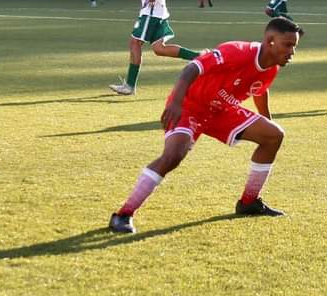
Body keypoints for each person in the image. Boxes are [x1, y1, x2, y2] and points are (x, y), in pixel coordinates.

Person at [108, 17, 303, 233]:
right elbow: (191, 68)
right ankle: (123, 214)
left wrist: (266, 118)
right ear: (270, 41)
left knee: (274, 135)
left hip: (220, 110)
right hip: (190, 104)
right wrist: (175, 102)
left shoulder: (271, 67)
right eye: (288, 45)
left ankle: (249, 202)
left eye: (294, 46)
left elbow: (259, 89)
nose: (292, 52)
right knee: (173, 156)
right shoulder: (237, 51)